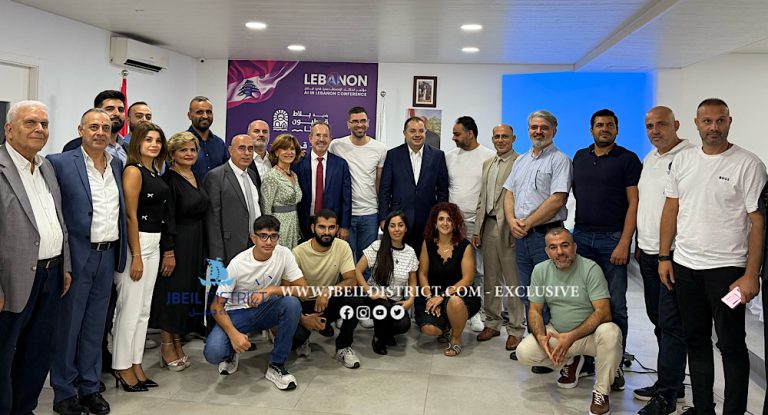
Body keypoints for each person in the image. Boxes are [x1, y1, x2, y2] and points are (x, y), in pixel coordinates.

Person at [658, 98, 767, 415]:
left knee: (731, 345)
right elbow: (671, 209)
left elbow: (758, 223)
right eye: (707, 121)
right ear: (697, 123)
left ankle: (733, 411)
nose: (714, 127)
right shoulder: (683, 161)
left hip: (728, 273)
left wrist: (751, 275)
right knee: (696, 340)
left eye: (720, 120)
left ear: (730, 122)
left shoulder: (748, 164)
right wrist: (664, 257)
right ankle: (703, 408)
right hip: (686, 268)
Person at [47, 108, 127, 415]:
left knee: (96, 326)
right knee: (69, 327)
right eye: (93, 126)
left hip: (107, 255)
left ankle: (90, 387)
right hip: (77, 256)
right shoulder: (59, 163)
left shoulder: (117, 164)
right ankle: (64, 392)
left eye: (105, 127)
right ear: (80, 130)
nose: (100, 132)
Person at [0, 101, 71, 415]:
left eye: (44, 124)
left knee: (37, 353)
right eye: (30, 122)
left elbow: (58, 220)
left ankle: (23, 410)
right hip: (10, 281)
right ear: (9, 129)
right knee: (3, 356)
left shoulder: (46, 167)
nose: (39, 129)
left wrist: (65, 266)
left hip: (50, 275)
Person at [571, 108, 642, 391]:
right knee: (584, 302)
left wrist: (625, 242)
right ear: (591, 129)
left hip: (612, 239)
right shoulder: (580, 157)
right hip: (582, 236)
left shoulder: (628, 159)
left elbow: (634, 203)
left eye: (610, 125)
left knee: (615, 304)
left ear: (617, 129)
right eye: (599, 125)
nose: (604, 129)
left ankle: (615, 362)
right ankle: (587, 358)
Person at [515, 228, 622, 415]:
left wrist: (571, 337)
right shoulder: (540, 270)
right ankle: (571, 359)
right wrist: (541, 337)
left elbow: (604, 312)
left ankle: (601, 392)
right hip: (558, 334)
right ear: (547, 251)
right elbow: (534, 310)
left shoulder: (590, 269)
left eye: (565, 245)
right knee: (524, 352)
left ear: (574, 247)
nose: (560, 252)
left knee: (611, 333)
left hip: (590, 337)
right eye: (553, 247)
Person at [203, 215, 309, 390]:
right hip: (237, 314)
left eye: (273, 236)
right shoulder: (237, 264)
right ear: (253, 238)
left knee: (292, 303)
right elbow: (216, 306)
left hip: (266, 309)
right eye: (263, 236)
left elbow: (304, 291)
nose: (268, 242)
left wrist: (272, 290)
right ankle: (231, 351)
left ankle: (276, 365)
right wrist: (233, 334)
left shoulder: (284, 253)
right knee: (214, 353)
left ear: (278, 237)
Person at [633, 106, 694, 414]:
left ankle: (668, 395)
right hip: (647, 253)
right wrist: (639, 244)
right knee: (659, 321)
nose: (655, 131)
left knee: (671, 325)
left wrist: (665, 253)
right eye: (649, 126)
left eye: (661, 124)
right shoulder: (650, 158)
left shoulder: (689, 157)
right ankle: (670, 382)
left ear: (676, 124)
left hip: (670, 257)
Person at [503, 109, 572, 373]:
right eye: (534, 127)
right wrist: (512, 221)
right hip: (522, 238)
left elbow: (558, 199)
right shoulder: (521, 160)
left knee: (550, 297)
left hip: (547, 237)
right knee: (528, 295)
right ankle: (535, 347)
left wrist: (527, 222)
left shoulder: (560, 160)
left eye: (544, 127)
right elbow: (509, 193)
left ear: (554, 131)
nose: (538, 131)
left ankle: (554, 352)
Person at [111, 122, 172, 392]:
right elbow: (130, 215)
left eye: (158, 140)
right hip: (137, 244)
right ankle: (122, 365)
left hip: (154, 242)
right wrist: (135, 255)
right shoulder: (133, 171)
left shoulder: (155, 171)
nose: (154, 144)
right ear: (137, 142)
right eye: (148, 139)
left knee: (144, 311)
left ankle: (136, 363)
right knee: (129, 309)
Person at [150, 131, 210, 371]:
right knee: (171, 294)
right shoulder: (169, 180)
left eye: (193, 150)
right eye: (183, 150)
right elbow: (166, 219)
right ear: (172, 153)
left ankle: (177, 341)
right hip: (178, 243)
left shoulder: (195, 176)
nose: (189, 154)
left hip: (196, 242)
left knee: (185, 294)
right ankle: (166, 345)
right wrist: (169, 251)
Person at [471, 124, 525, 351]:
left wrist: (516, 229)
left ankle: (515, 329)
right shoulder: (488, 163)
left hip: (509, 227)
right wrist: (477, 229)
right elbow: (482, 198)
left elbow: (523, 199)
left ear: (513, 138)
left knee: (512, 280)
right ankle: (492, 323)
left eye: (505, 136)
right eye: (497, 137)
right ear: (492, 139)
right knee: (490, 278)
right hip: (489, 225)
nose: (501, 140)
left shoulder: (521, 162)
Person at [291, 209, 364, 368]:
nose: (326, 232)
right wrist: (302, 317)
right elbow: (287, 289)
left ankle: (343, 347)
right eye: (322, 227)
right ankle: (303, 337)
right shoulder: (298, 252)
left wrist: (328, 291)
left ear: (337, 228)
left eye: (331, 227)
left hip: (327, 300)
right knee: (295, 339)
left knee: (356, 300)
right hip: (304, 304)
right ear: (313, 228)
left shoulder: (342, 246)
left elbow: (351, 281)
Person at [446, 116, 495, 332]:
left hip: (478, 223)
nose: (453, 137)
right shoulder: (449, 157)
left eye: (457, 134)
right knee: (454, 269)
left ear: (470, 133)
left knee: (479, 270)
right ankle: (457, 309)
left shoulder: (489, 157)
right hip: (453, 224)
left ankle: (478, 311)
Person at [415, 202, 481, 357]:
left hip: (460, 294)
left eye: (449, 219)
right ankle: (446, 326)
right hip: (433, 293)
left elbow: (468, 280)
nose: (445, 223)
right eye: (441, 219)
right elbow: (422, 274)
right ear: (435, 223)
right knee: (430, 329)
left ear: (455, 223)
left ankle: (456, 338)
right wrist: (430, 298)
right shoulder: (427, 243)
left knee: (454, 301)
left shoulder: (464, 246)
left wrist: (442, 296)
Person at [379, 117, 449, 256]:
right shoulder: (393, 155)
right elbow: (385, 189)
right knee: (397, 258)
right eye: (412, 131)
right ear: (404, 133)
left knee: (424, 258)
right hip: (399, 218)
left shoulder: (437, 156)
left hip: (427, 218)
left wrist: (440, 217)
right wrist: (383, 217)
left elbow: (442, 190)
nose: (417, 134)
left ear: (425, 132)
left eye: (421, 131)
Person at [328, 106, 387, 261]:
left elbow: (380, 184)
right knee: (344, 261)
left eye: (362, 121)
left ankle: (364, 280)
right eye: (355, 121)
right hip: (346, 215)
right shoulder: (336, 146)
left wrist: (382, 214)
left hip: (370, 213)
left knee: (367, 262)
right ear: (348, 124)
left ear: (368, 123)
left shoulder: (380, 148)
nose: (359, 125)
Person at [355, 211, 419, 355]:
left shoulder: (410, 252)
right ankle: (379, 337)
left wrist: (410, 299)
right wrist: (369, 292)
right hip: (376, 298)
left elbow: (413, 280)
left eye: (400, 225)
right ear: (387, 229)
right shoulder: (377, 246)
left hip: (396, 299)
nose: (397, 229)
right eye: (392, 226)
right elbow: (357, 270)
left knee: (403, 324)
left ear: (406, 228)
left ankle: (384, 332)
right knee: (383, 307)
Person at [204, 134, 263, 265]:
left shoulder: (252, 175)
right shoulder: (215, 176)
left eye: (250, 149)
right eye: (241, 148)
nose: (247, 153)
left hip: (254, 245)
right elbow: (212, 222)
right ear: (230, 150)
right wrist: (217, 258)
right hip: (229, 247)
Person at [293, 121, 351, 241]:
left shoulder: (340, 164)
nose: (321, 139)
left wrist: (344, 226)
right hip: (304, 223)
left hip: (330, 225)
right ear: (310, 138)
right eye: (318, 135)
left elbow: (346, 198)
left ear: (330, 139)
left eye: (325, 136)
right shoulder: (298, 164)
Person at [63, 90, 129, 165]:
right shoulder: (74, 147)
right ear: (97, 112)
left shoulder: (128, 148)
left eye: (121, 110)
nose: (117, 113)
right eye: (110, 109)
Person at [262, 133, 303, 249]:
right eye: (284, 149)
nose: (289, 152)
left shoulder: (294, 175)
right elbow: (266, 207)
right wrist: (270, 232)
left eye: (292, 149)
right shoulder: (271, 176)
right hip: (278, 226)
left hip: (293, 224)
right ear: (276, 152)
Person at [187, 96, 227, 179]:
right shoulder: (180, 144)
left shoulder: (220, 144)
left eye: (208, 112)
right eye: (199, 112)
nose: (205, 116)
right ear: (189, 115)